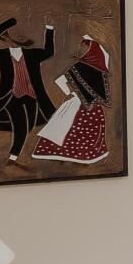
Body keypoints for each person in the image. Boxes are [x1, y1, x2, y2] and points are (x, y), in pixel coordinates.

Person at [0, 17, 57, 162]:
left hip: (32, 96)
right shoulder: (2, 54)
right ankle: (13, 158)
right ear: (5, 37)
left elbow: (48, 52)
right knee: (22, 126)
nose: (19, 34)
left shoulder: (32, 54)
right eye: (13, 32)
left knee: (29, 126)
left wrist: (49, 28)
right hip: (12, 97)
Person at [32, 32, 114, 166]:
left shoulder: (80, 67)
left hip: (78, 103)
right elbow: (106, 54)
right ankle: (80, 156)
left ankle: (64, 155)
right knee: (82, 130)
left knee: (68, 128)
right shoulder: (99, 70)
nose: (80, 50)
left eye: (84, 48)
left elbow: (59, 80)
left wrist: (70, 93)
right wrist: (89, 39)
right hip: (90, 107)